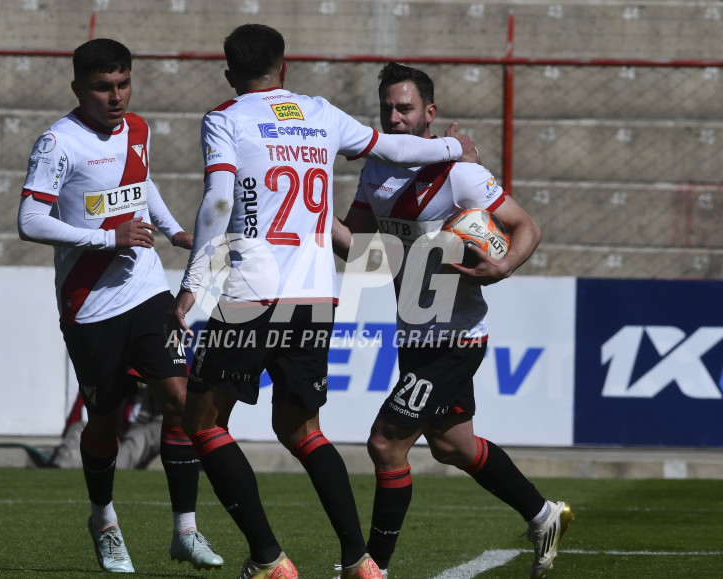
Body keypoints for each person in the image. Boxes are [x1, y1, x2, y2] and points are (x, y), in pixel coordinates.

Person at [167, 24, 475, 579]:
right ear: (283, 69)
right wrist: (454, 146)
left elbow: (217, 197)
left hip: (251, 295)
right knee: (302, 431)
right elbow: (396, 148)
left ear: (230, 74)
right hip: (315, 296)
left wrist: (194, 281)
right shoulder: (317, 112)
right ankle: (361, 562)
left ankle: (268, 558)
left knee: (204, 422)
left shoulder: (226, 118)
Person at [332, 61, 574, 579]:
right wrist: (311, 214)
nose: (395, 118)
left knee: (385, 442)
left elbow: (525, 226)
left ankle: (373, 569)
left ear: (429, 113)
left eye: (405, 108)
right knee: (452, 444)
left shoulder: (459, 173)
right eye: (387, 109)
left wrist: (504, 263)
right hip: (413, 332)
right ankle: (542, 514)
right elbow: (356, 249)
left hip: (455, 337)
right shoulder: (374, 169)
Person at [17, 38, 223, 573]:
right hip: (89, 303)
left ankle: (186, 530)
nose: (116, 96)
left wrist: (174, 230)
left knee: (180, 400)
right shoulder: (58, 144)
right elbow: (30, 221)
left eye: (123, 83)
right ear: (78, 89)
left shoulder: (138, 128)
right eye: (103, 87)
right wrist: (110, 238)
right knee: (104, 421)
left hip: (146, 289)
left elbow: (139, 183)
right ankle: (104, 520)